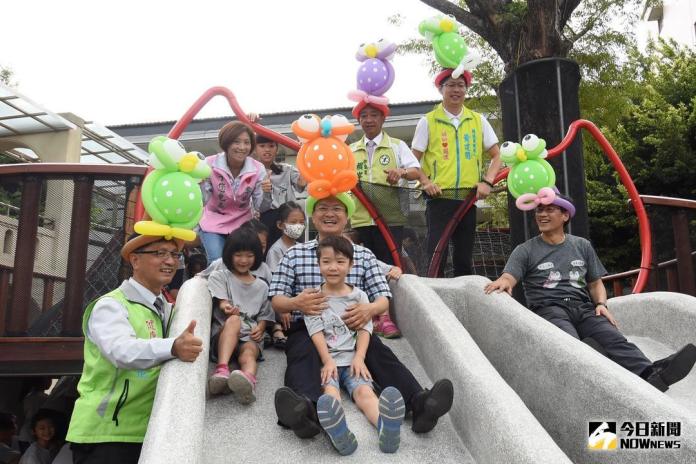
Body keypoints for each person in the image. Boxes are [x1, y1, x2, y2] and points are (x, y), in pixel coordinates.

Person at [270, 194, 453, 440]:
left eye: (337, 208)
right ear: (313, 216)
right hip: (308, 325)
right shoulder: (294, 254)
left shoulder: (363, 256)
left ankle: (420, 403)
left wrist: (368, 310)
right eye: (323, 208)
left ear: (347, 216)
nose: (330, 214)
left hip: (352, 326)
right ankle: (305, 410)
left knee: (379, 352)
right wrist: (295, 303)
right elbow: (276, 300)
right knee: (301, 353)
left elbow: (382, 298)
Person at [484, 194, 696, 392]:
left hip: (583, 307)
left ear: (565, 215)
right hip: (549, 308)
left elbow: (595, 283)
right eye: (539, 210)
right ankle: (598, 372)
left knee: (613, 338)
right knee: (571, 344)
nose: (542, 214)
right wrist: (503, 281)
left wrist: (602, 305)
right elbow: (509, 276)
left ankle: (651, 373)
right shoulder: (526, 250)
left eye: (549, 210)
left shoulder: (581, 245)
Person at [65, 234, 203, 464]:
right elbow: (122, 351)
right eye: (160, 253)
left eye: (174, 255)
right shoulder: (111, 305)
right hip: (105, 433)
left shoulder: (168, 310)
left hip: (148, 432)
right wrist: (173, 346)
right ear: (135, 260)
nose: (170, 261)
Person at [307, 236, 405, 455]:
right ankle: (339, 432)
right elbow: (315, 331)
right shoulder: (314, 297)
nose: (333, 267)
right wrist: (327, 360)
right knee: (330, 395)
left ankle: (385, 427)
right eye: (326, 261)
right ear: (318, 264)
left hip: (353, 360)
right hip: (329, 361)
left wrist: (360, 357)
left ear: (351, 265)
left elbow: (364, 328)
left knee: (365, 393)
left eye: (340, 261)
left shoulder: (359, 296)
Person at [411, 69, 502, 277]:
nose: (456, 90)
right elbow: (412, 160)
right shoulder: (428, 120)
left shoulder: (478, 120)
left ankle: (466, 305)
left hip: (468, 200)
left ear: (466, 90)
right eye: (450, 85)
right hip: (438, 199)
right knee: (436, 257)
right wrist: (426, 182)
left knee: (464, 258)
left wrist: (487, 182)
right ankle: (436, 305)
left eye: (461, 85)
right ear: (440, 89)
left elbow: (497, 156)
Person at [206, 228, 275, 403]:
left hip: (249, 335)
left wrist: (261, 327)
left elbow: (264, 315)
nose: (244, 260)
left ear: (257, 256)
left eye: (249, 255)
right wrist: (227, 308)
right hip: (224, 334)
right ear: (229, 254)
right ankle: (222, 369)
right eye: (238, 255)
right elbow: (221, 301)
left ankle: (248, 381)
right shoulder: (220, 276)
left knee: (249, 354)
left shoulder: (262, 286)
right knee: (235, 320)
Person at [198, 121, 272, 264]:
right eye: (236, 142)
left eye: (247, 142)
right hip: (213, 221)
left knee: (241, 263)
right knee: (217, 261)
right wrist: (200, 184)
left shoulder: (258, 168)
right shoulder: (209, 163)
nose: (242, 147)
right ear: (226, 143)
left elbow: (261, 207)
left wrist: (267, 192)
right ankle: (215, 286)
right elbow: (203, 200)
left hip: (242, 224)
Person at [252, 133, 307, 247]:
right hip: (264, 220)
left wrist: (305, 153)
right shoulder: (251, 173)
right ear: (255, 149)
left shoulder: (287, 169)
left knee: (294, 249)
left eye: (271, 146)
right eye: (262, 146)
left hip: (288, 217)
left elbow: (301, 185)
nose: (267, 149)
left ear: (277, 149)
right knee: (266, 253)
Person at [266, 201, 306, 273]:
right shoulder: (275, 251)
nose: (298, 226)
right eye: (293, 222)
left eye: (301, 222)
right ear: (280, 225)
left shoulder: (301, 247)